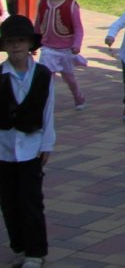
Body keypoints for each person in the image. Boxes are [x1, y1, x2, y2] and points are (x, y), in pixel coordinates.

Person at [0, 15, 55, 268]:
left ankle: (35, 252)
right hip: (4, 147)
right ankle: (20, 248)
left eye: (21, 40)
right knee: (9, 203)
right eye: (10, 41)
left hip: (32, 148)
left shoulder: (43, 74)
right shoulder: (1, 75)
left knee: (31, 201)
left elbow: (48, 112)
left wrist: (47, 144)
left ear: (30, 44)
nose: (16, 46)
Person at [33, 0, 86, 110]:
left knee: (69, 78)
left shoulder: (71, 5)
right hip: (48, 49)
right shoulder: (42, 3)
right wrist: (33, 44)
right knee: (46, 77)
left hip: (66, 50)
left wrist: (76, 45)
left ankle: (78, 97)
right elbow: (38, 25)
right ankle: (45, 103)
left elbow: (78, 28)